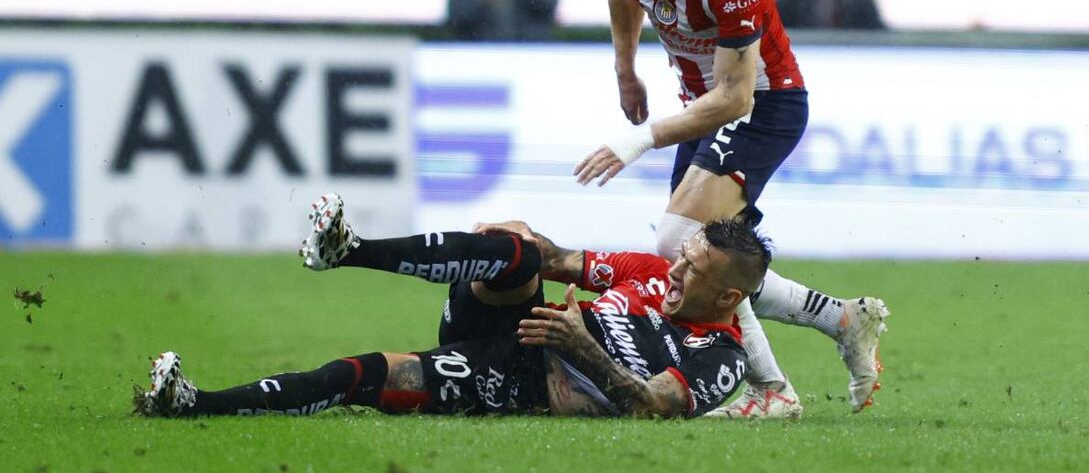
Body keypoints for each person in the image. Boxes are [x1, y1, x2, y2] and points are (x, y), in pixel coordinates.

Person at [573, 0, 888, 418]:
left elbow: (736, 97)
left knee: (679, 245)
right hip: (701, 106)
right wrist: (625, 69)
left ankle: (774, 390)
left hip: (762, 106)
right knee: (697, 258)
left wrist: (638, 140)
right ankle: (840, 320)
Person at [133, 193, 770, 419]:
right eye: (683, 256)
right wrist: (517, 234)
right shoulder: (654, 272)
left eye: (693, 269)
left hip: (521, 379)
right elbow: (557, 259)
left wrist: (579, 345)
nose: (675, 269)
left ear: (730, 297)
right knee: (518, 254)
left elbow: (654, 407)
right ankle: (348, 249)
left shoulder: (720, 356)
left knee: (367, 374)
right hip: (520, 323)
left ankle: (193, 403)